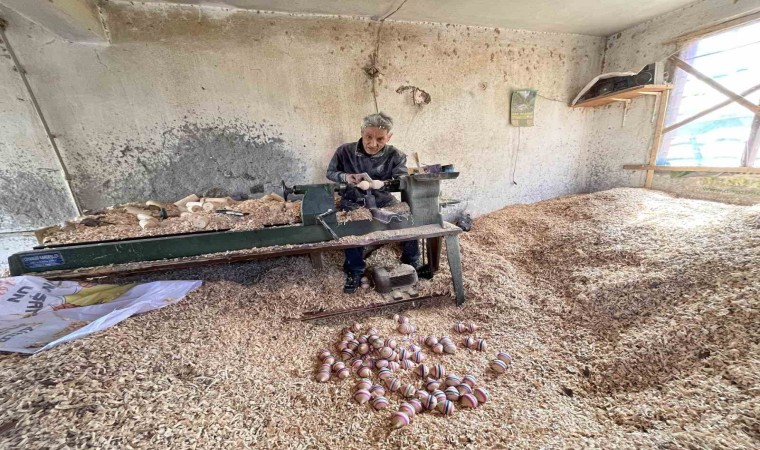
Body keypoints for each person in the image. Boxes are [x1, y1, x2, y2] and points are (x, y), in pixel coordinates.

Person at [326, 112, 420, 293]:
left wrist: (383, 183)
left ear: (389, 137)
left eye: (380, 139)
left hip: (383, 199)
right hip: (353, 199)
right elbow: (330, 172)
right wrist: (346, 177)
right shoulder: (345, 151)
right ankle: (355, 270)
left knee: (408, 220)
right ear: (361, 131)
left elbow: (402, 180)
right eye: (368, 136)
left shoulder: (396, 155)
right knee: (353, 229)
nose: (373, 144)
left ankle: (412, 263)